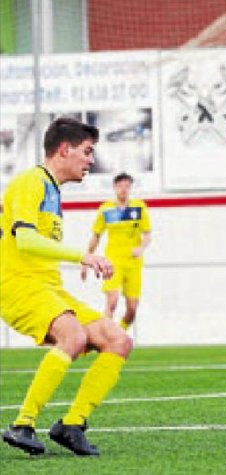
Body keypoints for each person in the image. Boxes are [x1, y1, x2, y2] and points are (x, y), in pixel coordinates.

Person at [1, 117, 133, 456]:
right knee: (72, 336)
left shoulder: (50, 189)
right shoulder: (30, 182)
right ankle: (23, 424)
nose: (91, 160)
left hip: (48, 288)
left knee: (118, 339)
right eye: (87, 152)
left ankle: (72, 425)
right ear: (64, 149)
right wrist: (85, 256)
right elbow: (27, 241)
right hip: (18, 285)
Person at [83, 172, 152, 331]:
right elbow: (96, 236)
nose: (124, 190)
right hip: (113, 260)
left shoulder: (139, 207)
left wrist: (140, 248)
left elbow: (147, 234)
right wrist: (86, 259)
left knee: (132, 309)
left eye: (127, 186)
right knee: (112, 301)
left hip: (133, 263)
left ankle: (119, 332)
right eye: (120, 186)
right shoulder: (106, 209)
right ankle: (105, 336)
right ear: (115, 187)